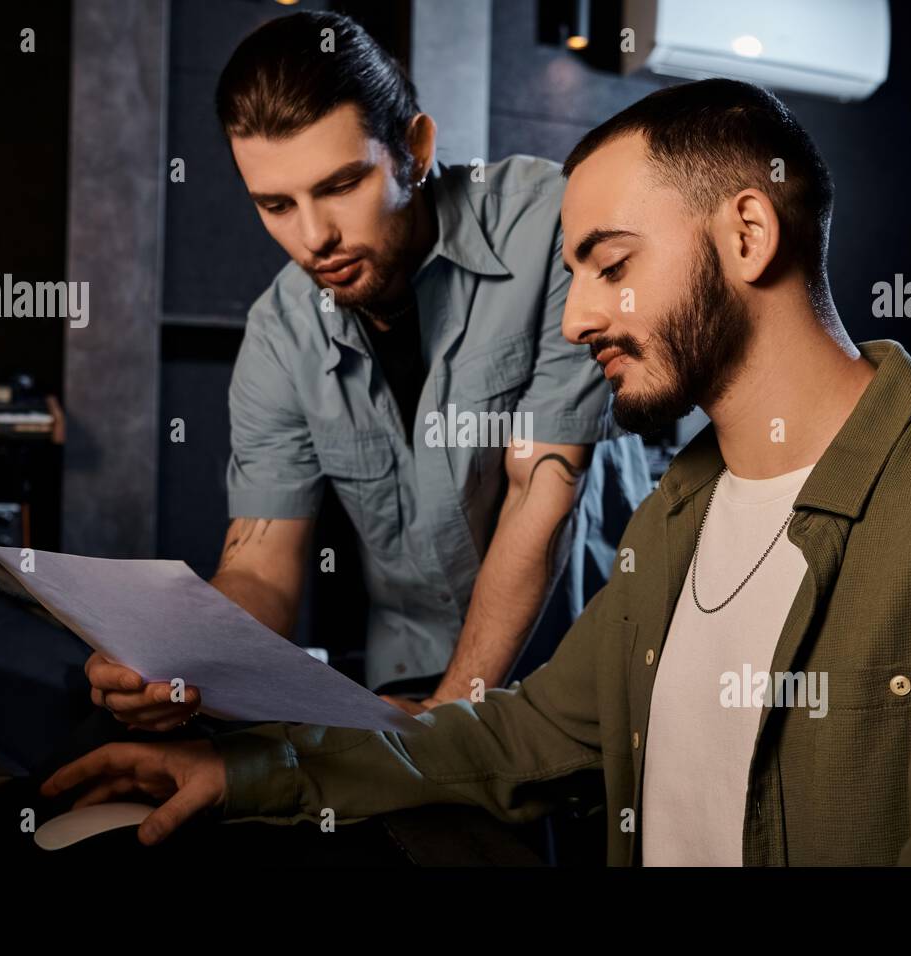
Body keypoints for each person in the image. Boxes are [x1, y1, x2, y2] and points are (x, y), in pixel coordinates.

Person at [47, 80, 911, 866]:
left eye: (611, 266)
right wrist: (244, 774)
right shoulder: (669, 525)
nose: (571, 318)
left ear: (747, 232)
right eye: (570, 275)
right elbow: (517, 730)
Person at [82, 10, 649, 729]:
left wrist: (449, 720)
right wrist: (179, 660)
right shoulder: (278, 334)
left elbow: (543, 492)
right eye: (276, 204)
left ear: (414, 149)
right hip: (409, 674)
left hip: (586, 667)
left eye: (341, 185)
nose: (314, 237)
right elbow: (262, 568)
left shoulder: (551, 229)